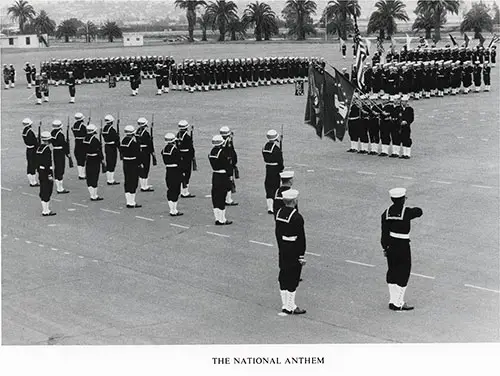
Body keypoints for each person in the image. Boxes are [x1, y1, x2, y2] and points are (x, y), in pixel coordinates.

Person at [381, 188, 423, 311]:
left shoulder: (386, 213)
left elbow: (384, 233)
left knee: (392, 271)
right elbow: (419, 212)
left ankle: (392, 300)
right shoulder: (407, 212)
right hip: (403, 245)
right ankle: (398, 303)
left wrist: (385, 247)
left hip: (391, 245)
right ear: (403, 200)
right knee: (404, 272)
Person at [275, 189, 306, 315]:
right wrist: (301, 255)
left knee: (283, 275)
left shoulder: (279, 213)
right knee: (293, 277)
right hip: (293, 248)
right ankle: (290, 306)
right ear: (295, 201)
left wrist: (281, 246)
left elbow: (277, 233)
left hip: (283, 248)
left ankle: (285, 304)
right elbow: (301, 238)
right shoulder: (297, 217)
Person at [209, 135, 232, 225]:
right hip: (223, 176)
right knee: (222, 197)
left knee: (215, 197)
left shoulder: (212, 152)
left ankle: (217, 218)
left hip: (215, 175)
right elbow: (227, 165)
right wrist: (230, 175)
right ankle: (222, 219)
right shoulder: (223, 153)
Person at [120, 125, 142, 208]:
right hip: (133, 163)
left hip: (125, 163)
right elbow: (138, 154)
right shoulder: (133, 143)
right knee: (133, 182)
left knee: (127, 181)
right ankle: (132, 201)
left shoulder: (123, 141)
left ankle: (128, 201)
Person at [262, 129, 284, 214]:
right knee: (275, 186)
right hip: (275, 169)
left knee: (268, 186)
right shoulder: (276, 149)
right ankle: (274, 205)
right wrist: (281, 168)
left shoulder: (264, 147)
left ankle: (269, 207)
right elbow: (280, 161)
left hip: (268, 167)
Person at [162, 133, 183, 216]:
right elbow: (180, 160)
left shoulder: (164, 150)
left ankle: (172, 209)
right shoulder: (175, 150)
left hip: (168, 170)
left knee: (170, 189)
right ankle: (174, 210)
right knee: (176, 189)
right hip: (175, 171)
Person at [83, 124, 105, 201]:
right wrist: (102, 159)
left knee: (89, 176)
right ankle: (94, 195)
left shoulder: (85, 139)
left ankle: (92, 194)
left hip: (88, 158)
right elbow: (99, 151)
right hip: (95, 159)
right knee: (95, 177)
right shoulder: (95, 140)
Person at [36, 131, 56, 216]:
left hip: (41, 171)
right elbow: (48, 163)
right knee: (47, 190)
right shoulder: (47, 149)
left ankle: (46, 209)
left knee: (43, 189)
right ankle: (46, 210)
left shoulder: (39, 148)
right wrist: (50, 175)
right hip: (46, 172)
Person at [50, 120, 71, 194]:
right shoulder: (60, 134)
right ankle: (60, 188)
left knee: (57, 168)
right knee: (60, 168)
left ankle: (58, 186)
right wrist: (67, 153)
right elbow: (64, 144)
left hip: (55, 151)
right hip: (60, 152)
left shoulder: (52, 132)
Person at [176, 120, 196, 198]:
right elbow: (191, 148)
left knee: (182, 173)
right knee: (187, 174)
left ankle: (183, 190)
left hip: (180, 156)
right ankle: (185, 191)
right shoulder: (187, 137)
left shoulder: (178, 135)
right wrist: (192, 157)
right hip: (186, 157)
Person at [220, 126, 238, 206]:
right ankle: (228, 199)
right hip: (228, 163)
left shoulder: (220, 141)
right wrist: (234, 163)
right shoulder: (228, 142)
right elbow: (231, 153)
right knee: (229, 180)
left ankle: (226, 198)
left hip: (223, 163)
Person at [135, 117, 154, 192]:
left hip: (139, 151)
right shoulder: (145, 133)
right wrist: (152, 152)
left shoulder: (137, 132)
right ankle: (144, 186)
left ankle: (143, 185)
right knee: (146, 168)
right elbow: (149, 144)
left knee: (141, 168)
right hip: (145, 151)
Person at [101, 114, 120, 185]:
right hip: (112, 147)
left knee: (109, 162)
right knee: (112, 163)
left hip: (107, 146)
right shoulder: (112, 129)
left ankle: (109, 178)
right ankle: (110, 180)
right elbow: (116, 139)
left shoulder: (104, 128)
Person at [22, 118, 40, 187]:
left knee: (29, 165)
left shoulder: (24, 131)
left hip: (28, 149)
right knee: (33, 165)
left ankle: (31, 181)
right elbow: (35, 142)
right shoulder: (30, 132)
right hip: (33, 149)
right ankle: (33, 182)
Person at [72, 112, 87, 179]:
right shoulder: (83, 126)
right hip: (82, 143)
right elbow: (86, 134)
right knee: (82, 158)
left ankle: (80, 173)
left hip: (77, 142)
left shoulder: (74, 125)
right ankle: (82, 174)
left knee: (78, 158)